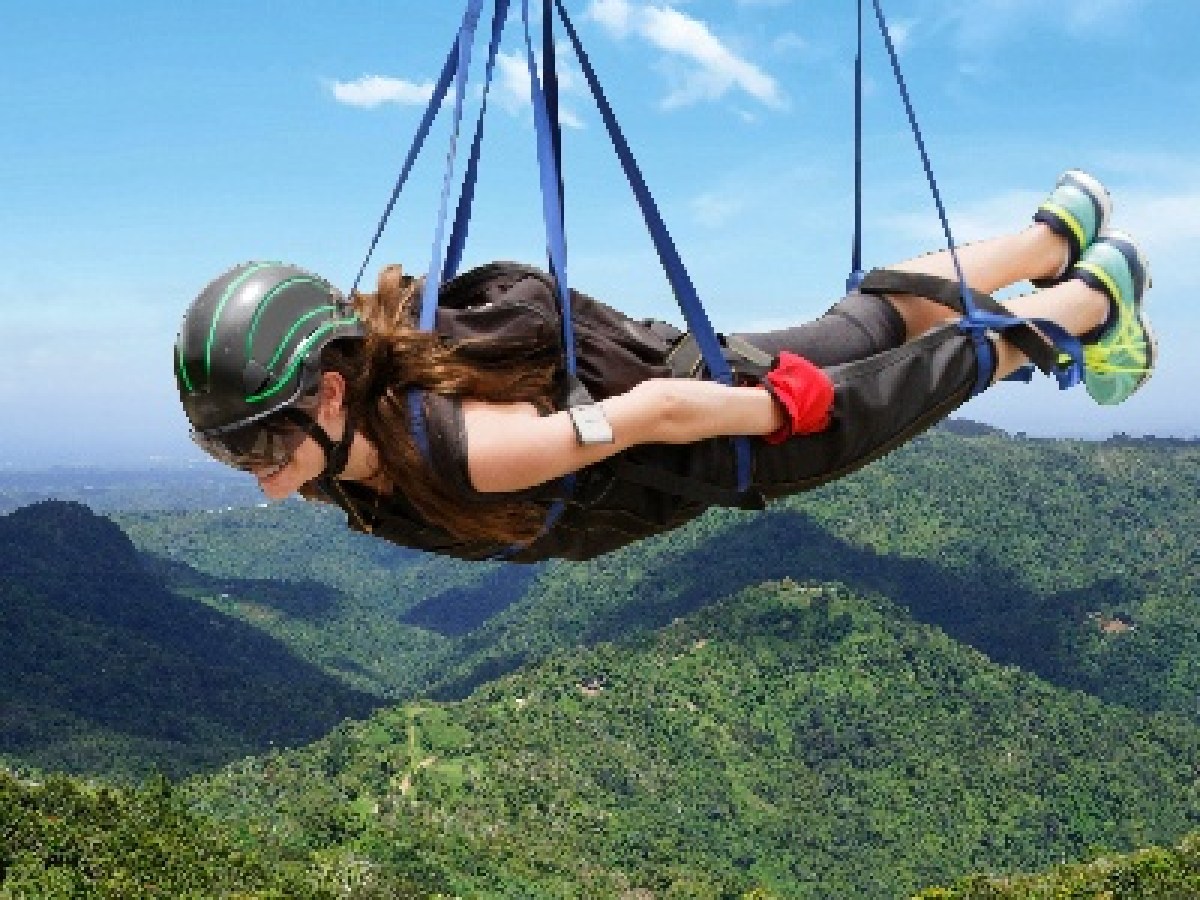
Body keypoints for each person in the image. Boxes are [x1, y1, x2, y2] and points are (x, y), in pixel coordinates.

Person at [175, 171, 1154, 562]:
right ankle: (1047, 240)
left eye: (265, 443)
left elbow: (642, 419)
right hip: (693, 363)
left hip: (714, 435)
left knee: (914, 382)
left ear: (331, 391)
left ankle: (1091, 299)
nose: (260, 477)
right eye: (235, 454)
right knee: (867, 323)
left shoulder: (463, 449)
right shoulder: (371, 416)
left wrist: (771, 418)